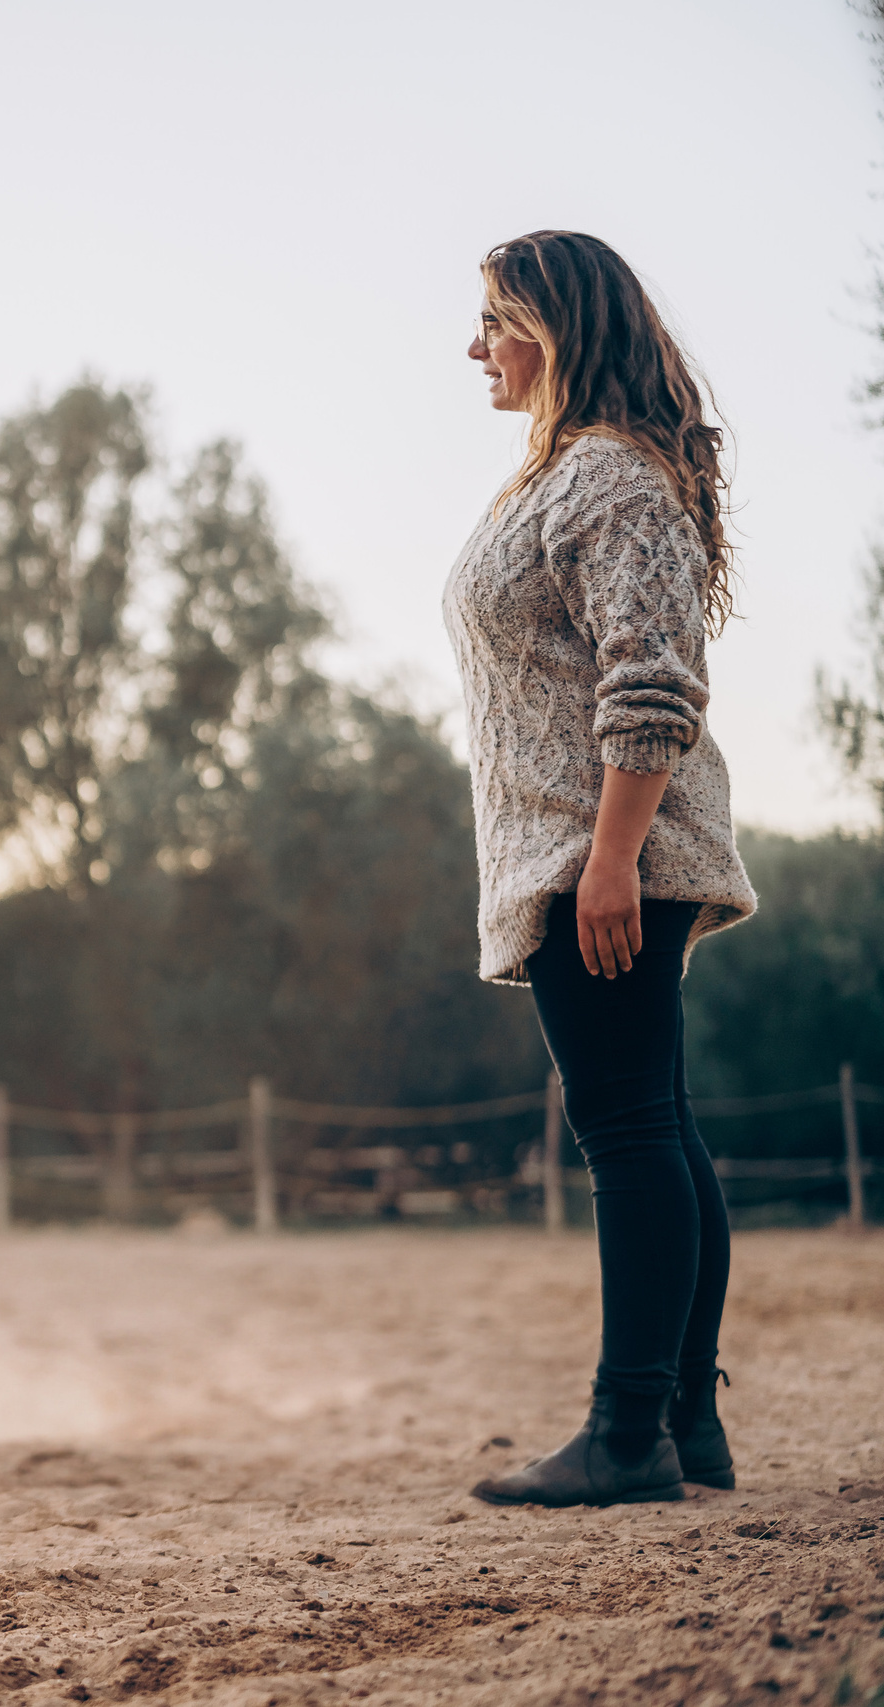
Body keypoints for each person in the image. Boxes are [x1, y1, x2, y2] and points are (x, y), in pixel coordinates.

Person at [445, 230, 757, 1508]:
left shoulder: (609, 478)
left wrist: (610, 860)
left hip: (601, 857)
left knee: (628, 1134)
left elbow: (652, 683)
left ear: (555, 331)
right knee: (657, 1127)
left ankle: (626, 1434)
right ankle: (684, 1424)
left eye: (494, 321)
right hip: (585, 852)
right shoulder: (571, 473)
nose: (474, 346)